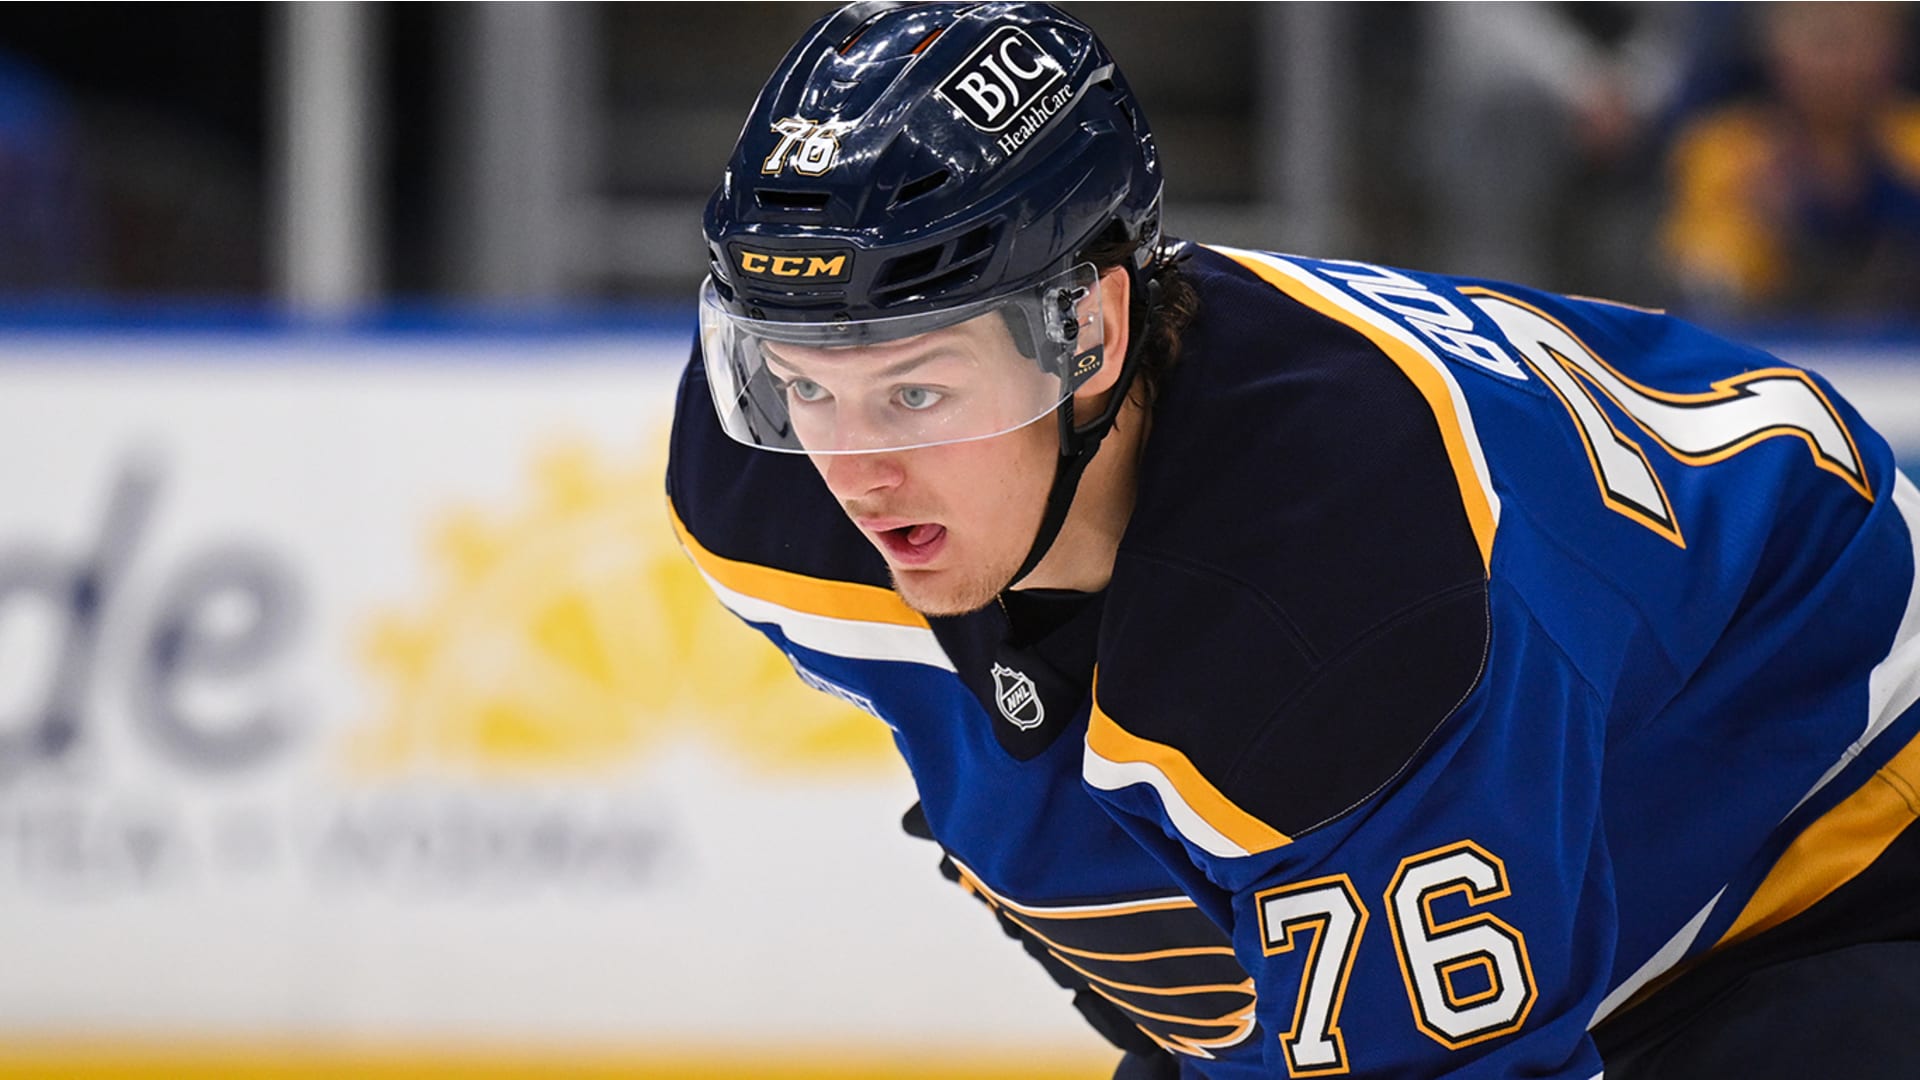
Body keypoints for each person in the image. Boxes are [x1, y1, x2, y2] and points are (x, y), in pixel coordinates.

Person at [666, 4, 1920, 1077]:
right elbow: (1068, 846)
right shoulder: (764, 484)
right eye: (800, 384)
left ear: (1090, 335)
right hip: (1545, 782)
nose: (855, 473)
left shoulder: (1347, 592)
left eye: (919, 391)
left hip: (1838, 829)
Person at [1660, 3, 1920, 316]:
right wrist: (1768, 233)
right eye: (1822, 40)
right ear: (1772, 50)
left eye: (1861, 37)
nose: (1839, 61)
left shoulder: (1911, 144)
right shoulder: (1725, 151)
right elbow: (1706, 278)